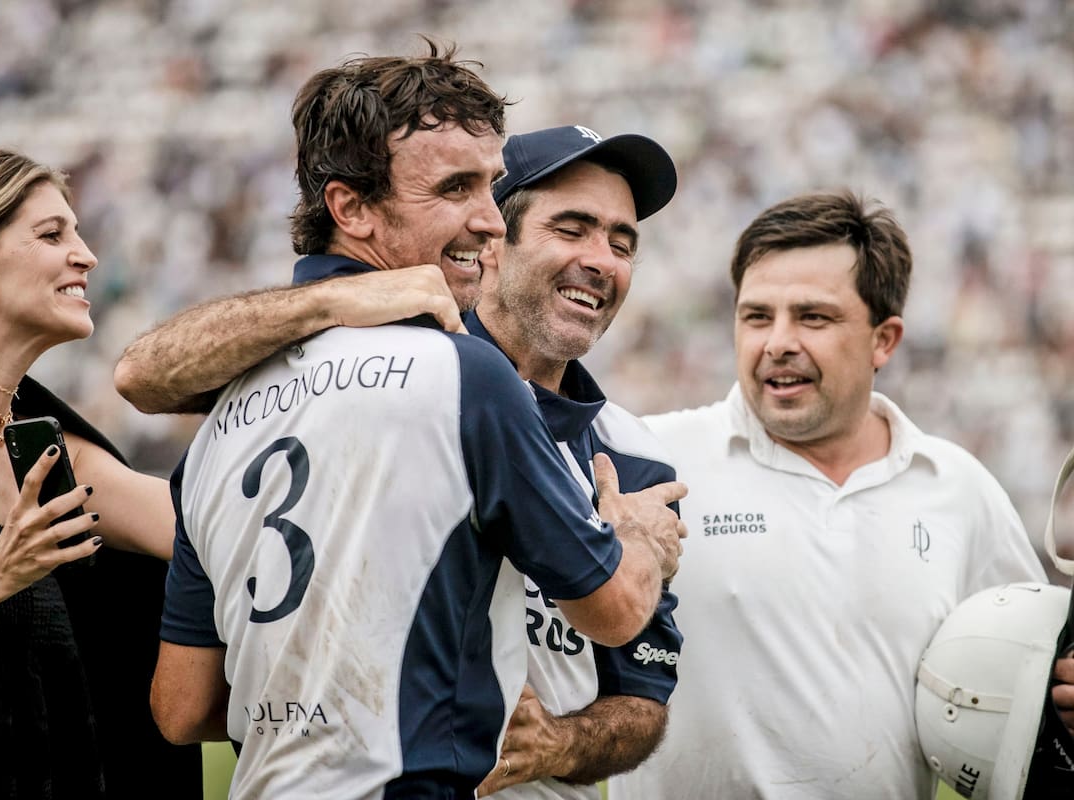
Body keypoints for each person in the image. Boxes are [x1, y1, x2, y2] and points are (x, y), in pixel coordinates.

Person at [145, 42, 685, 799]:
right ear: (350, 207)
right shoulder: (463, 380)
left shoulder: (219, 421)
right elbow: (619, 608)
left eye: (490, 189)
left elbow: (183, 706)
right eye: (458, 188)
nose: (486, 222)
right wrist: (642, 541)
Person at [607, 190, 1049, 800]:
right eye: (757, 316)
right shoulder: (648, 457)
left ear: (884, 340)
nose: (778, 341)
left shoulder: (957, 488)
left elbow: (1032, 672)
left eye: (813, 317)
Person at [0, 145, 201, 798]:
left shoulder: (53, 452)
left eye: (76, 231)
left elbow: (205, 528)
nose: (86, 255)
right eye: (52, 234)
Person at [469, 125, 685, 799]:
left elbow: (643, 696)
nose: (603, 260)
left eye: (622, 243)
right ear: (489, 244)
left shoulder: (633, 458)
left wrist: (556, 744)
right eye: (572, 228)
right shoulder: (406, 387)